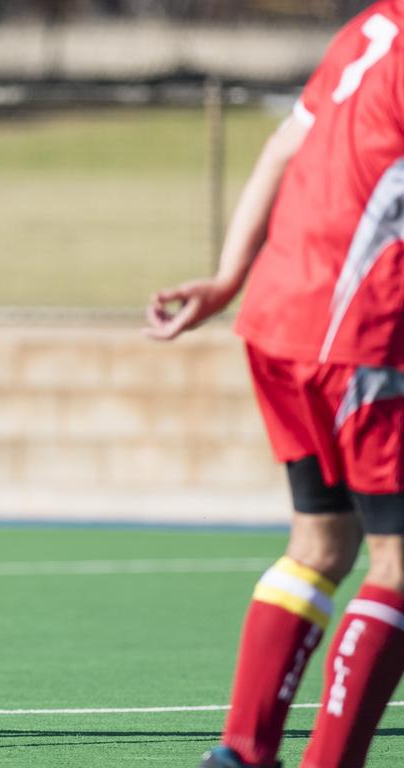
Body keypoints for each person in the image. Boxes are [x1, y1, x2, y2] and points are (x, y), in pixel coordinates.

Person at [145, 3, 404, 767]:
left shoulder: (376, 25)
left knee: (320, 542)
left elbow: (284, 147)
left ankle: (244, 752)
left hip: (280, 314)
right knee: (397, 564)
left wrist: (229, 277)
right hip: (361, 329)